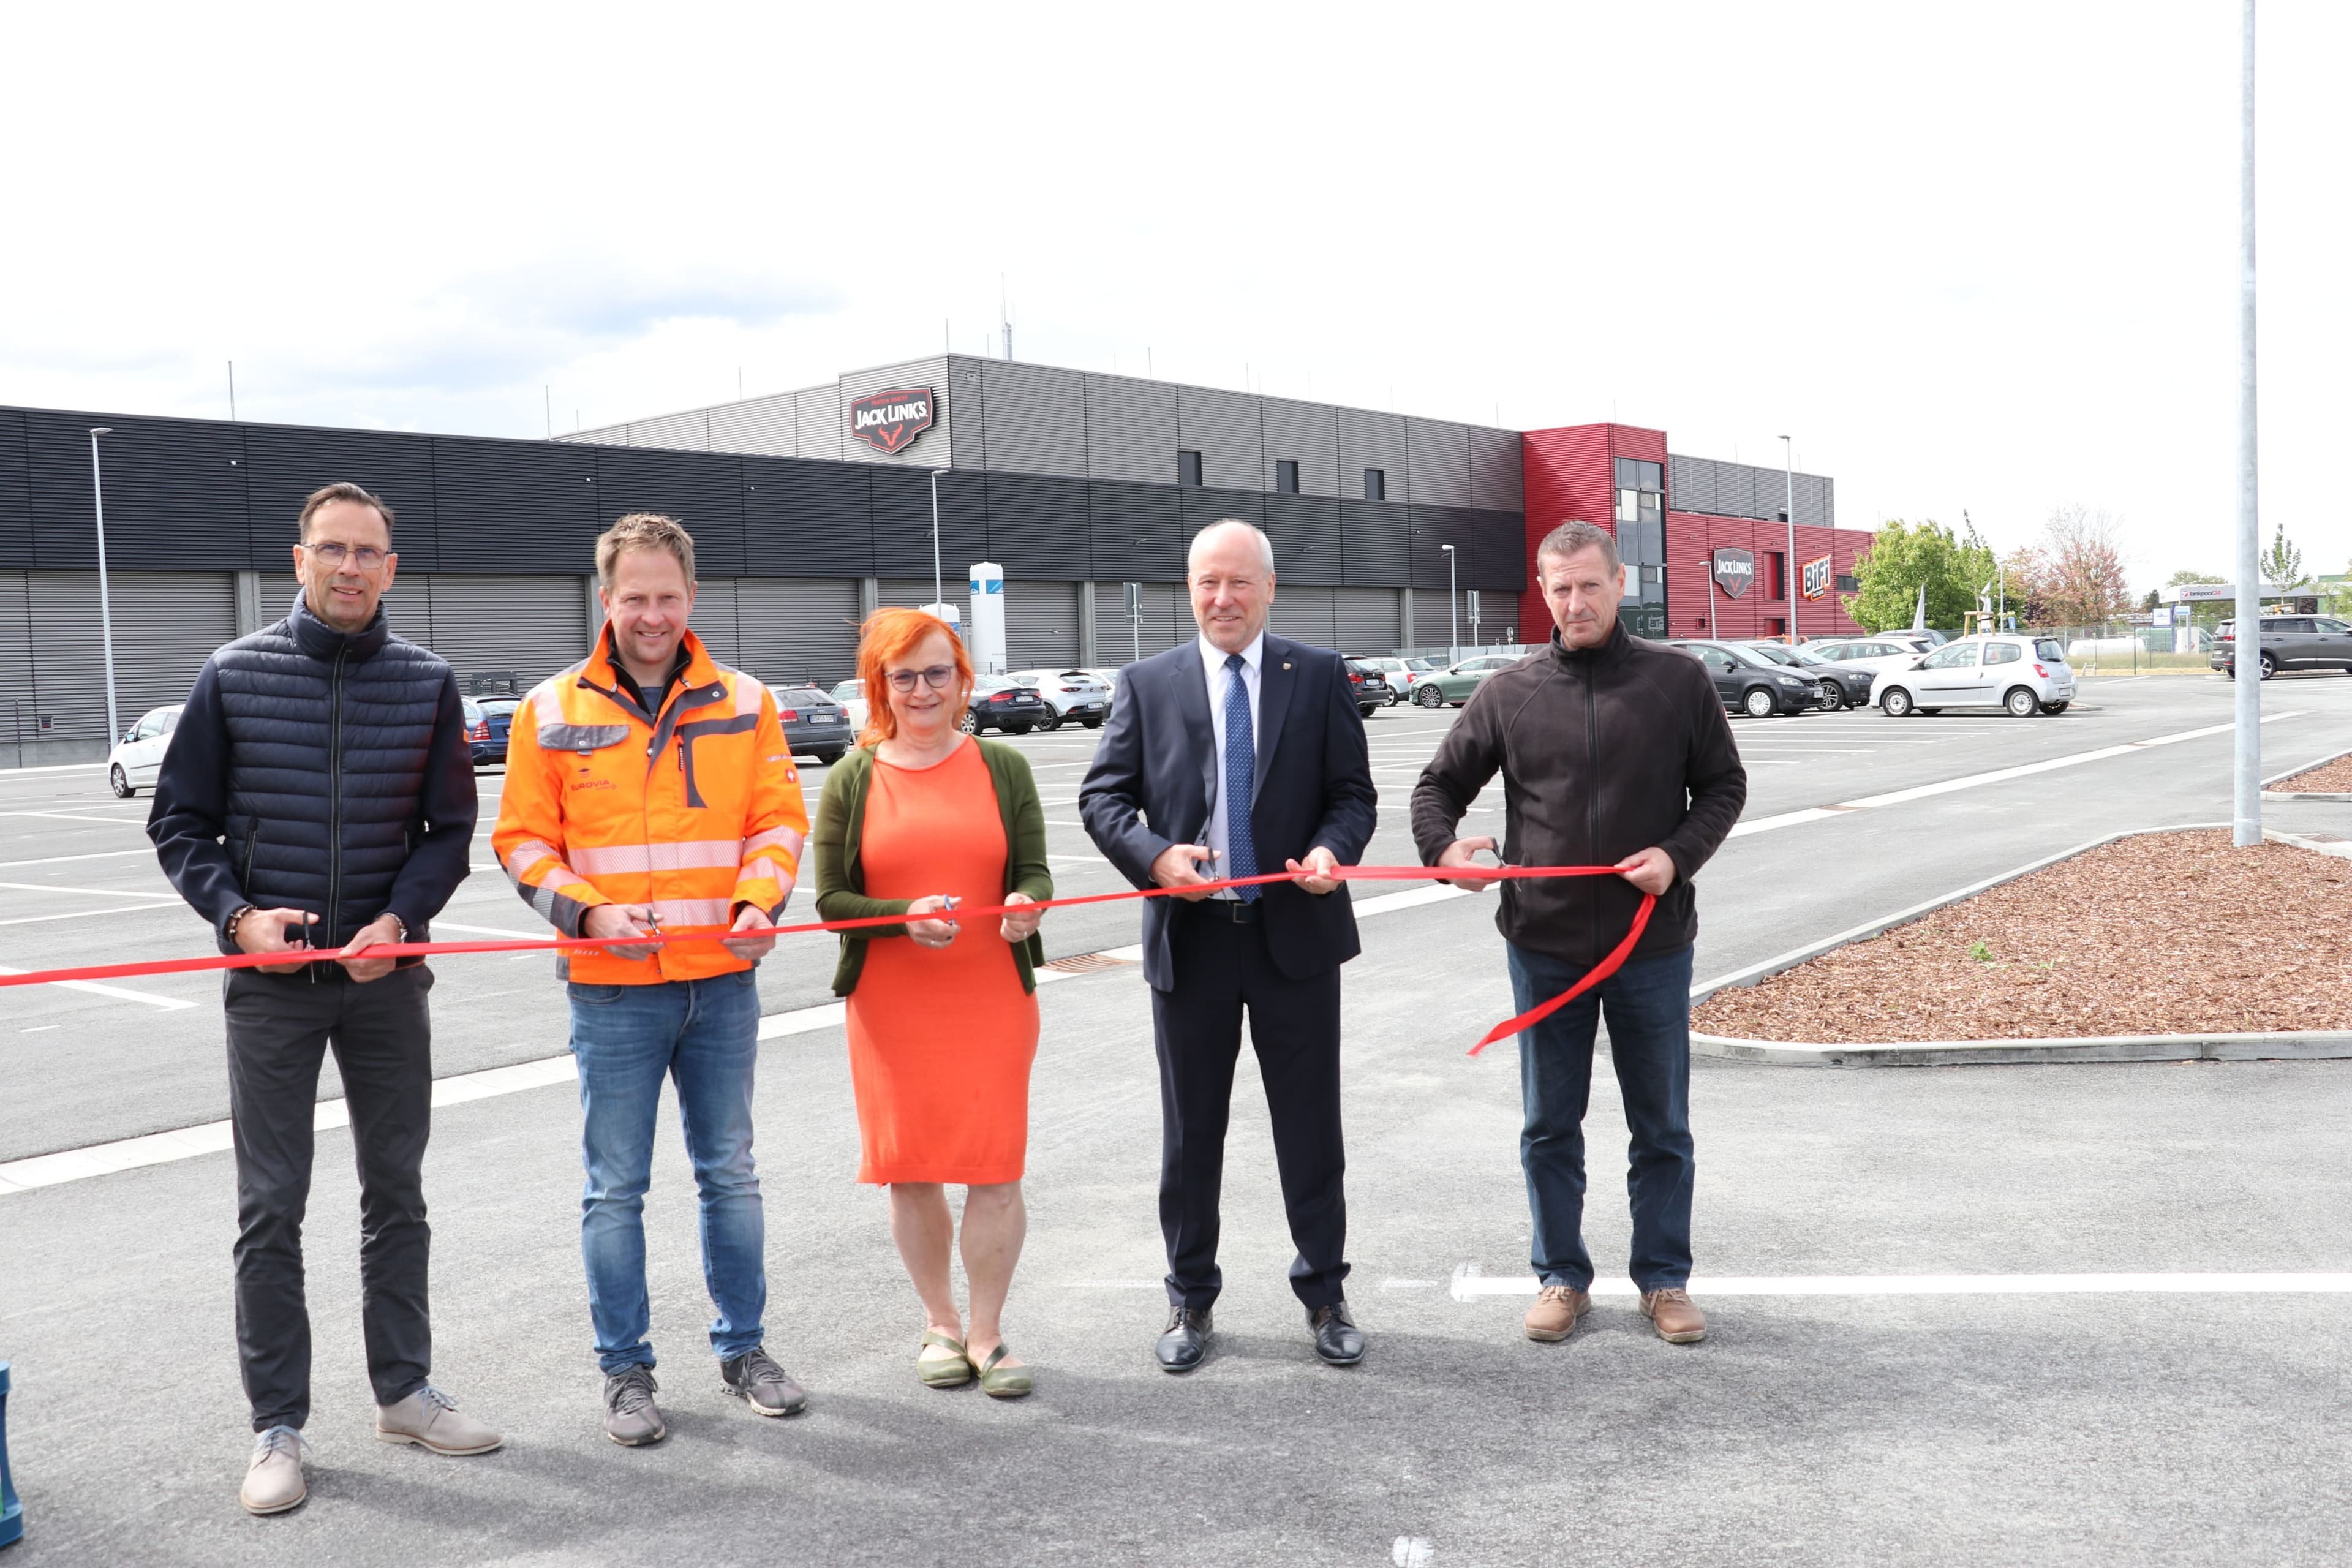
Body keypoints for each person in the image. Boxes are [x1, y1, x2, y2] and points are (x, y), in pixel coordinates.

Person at [147, 481, 500, 1517]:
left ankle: (404, 1392)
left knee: (397, 1193)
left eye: (369, 553)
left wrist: (400, 921)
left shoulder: (428, 683)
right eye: (331, 549)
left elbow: (447, 834)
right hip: (273, 991)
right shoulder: (234, 674)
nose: (350, 567)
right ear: (298, 559)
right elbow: (181, 824)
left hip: (386, 984)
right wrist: (235, 919)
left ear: (392, 569)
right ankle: (278, 1430)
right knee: (272, 1208)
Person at [493, 512, 810, 1446]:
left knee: (730, 1176)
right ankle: (626, 1374)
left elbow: (778, 823)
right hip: (610, 987)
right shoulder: (551, 711)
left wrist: (760, 904)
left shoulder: (747, 703)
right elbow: (520, 841)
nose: (652, 614)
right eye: (635, 597)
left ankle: (745, 1350)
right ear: (607, 599)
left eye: (668, 597)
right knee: (614, 1189)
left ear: (692, 598)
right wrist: (588, 913)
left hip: (722, 981)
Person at [1410, 519, 1747, 1347]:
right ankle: (1561, 1277)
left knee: (1661, 1125)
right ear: (1545, 592)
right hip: (1545, 945)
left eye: (1589, 584)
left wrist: (1677, 857)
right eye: (1559, 588)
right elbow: (1435, 789)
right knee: (1549, 1124)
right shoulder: (1509, 693)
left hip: (1651, 945)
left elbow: (1724, 786)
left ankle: (1664, 1281)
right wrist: (1445, 851)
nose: (1575, 601)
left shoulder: (1677, 683)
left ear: (1619, 583)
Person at [1079, 519, 1379, 1373]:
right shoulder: (1148, 683)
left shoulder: (1316, 676)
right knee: (1191, 1131)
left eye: (1240, 582)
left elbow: (1352, 794)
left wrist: (1332, 851)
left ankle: (1324, 1292)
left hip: (1296, 938)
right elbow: (1103, 798)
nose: (1223, 599)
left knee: (1311, 1128)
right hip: (1193, 945)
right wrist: (1156, 857)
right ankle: (1189, 1298)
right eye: (1208, 582)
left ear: (1270, 588)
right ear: (1190, 588)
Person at [810, 608, 1052, 1398]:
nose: (921, 690)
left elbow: (1038, 872)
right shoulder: (852, 776)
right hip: (892, 1002)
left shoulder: (1003, 767)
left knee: (995, 1171)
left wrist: (1025, 901)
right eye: (902, 675)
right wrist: (903, 918)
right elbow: (833, 902)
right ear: (880, 685)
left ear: (962, 681)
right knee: (910, 1171)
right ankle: (941, 1322)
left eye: (936, 673)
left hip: (991, 995)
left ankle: (987, 1331)